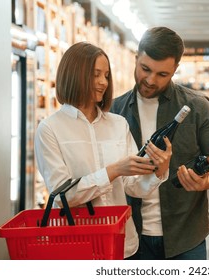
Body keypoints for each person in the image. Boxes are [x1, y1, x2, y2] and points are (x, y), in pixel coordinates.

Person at [34, 42, 172, 259]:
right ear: (74, 74)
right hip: (77, 247)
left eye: (106, 75)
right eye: (96, 74)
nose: (103, 82)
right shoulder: (50, 129)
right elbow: (63, 197)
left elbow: (133, 187)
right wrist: (113, 170)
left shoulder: (118, 124)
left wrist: (158, 171)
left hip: (123, 245)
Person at [110, 27, 209, 260]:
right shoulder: (114, 111)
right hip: (130, 237)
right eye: (145, 69)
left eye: (162, 74)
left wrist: (208, 179)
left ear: (175, 70)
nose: (150, 80)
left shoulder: (197, 107)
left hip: (186, 238)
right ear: (136, 58)